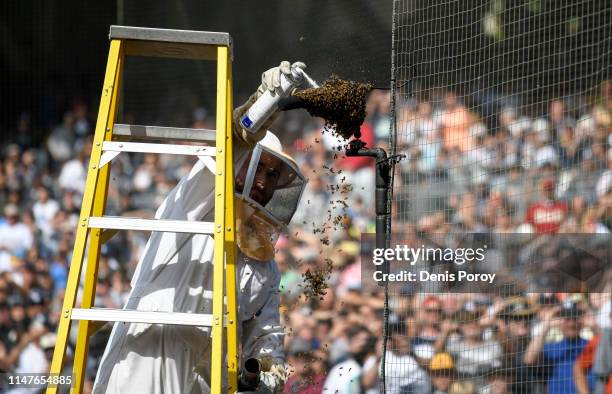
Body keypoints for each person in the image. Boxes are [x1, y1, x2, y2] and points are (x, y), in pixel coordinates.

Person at [92, 61, 310, 394]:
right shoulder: (198, 198)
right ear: (238, 165)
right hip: (147, 357)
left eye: (273, 176)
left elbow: (266, 338)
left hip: (205, 380)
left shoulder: (264, 267)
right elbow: (237, 136)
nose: (263, 183)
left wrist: (269, 373)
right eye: (259, 168)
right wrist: (268, 98)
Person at [524, 301, 593, 394]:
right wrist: (546, 324)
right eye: (567, 319)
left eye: (575, 318)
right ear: (559, 322)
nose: (571, 324)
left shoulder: (591, 344)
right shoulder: (552, 347)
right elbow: (529, 359)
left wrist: (594, 324)